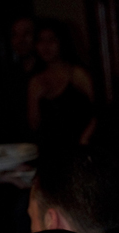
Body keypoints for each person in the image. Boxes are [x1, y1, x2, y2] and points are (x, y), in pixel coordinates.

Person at [27, 20, 95, 150]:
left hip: (80, 148)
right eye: (41, 41)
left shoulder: (77, 74)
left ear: (62, 42)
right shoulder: (35, 81)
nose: (46, 46)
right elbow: (34, 126)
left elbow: (100, 111)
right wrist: (35, 98)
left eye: (51, 40)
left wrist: (85, 138)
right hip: (51, 150)